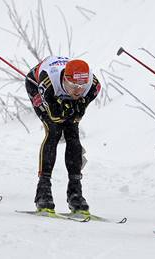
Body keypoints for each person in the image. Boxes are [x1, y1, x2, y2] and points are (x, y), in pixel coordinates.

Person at [25, 56, 101, 214]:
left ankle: (75, 192)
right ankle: (43, 190)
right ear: (65, 80)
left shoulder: (93, 86)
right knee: (53, 130)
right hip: (35, 83)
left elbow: (77, 115)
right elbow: (55, 116)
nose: (79, 90)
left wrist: (73, 108)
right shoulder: (49, 84)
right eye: (74, 85)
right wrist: (64, 108)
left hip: (61, 92)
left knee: (73, 133)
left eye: (82, 85)